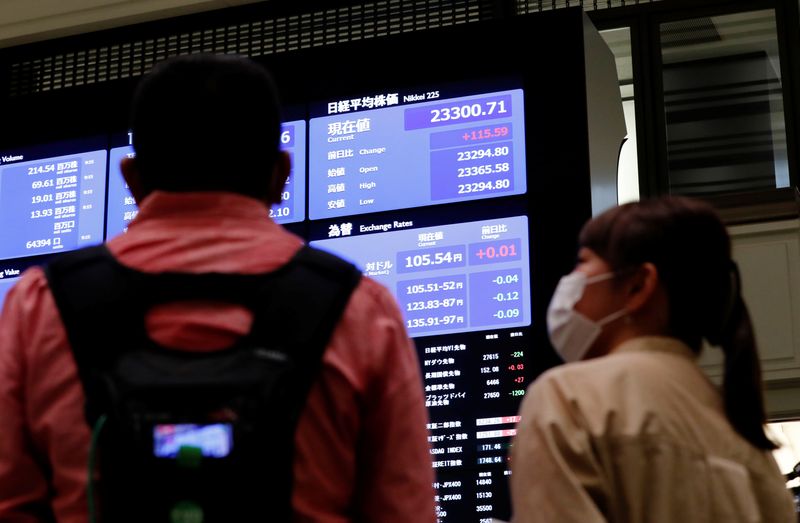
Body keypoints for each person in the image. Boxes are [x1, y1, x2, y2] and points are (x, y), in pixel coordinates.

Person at [0, 54, 436, 522]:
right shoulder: (362, 309)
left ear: (130, 178)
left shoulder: (38, 306)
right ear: (281, 175)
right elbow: (403, 510)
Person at [510, 196, 795, 522]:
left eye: (582, 263)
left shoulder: (567, 398)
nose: (570, 282)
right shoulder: (748, 441)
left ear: (638, 286)